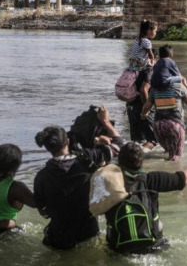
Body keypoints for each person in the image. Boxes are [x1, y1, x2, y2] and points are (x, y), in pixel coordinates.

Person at [34, 107, 122, 250]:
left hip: (58, 237)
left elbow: (43, 210)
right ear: (68, 141)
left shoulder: (41, 177)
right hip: (88, 233)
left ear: (48, 148)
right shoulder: (88, 158)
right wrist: (105, 122)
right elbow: (119, 145)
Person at [104, 143, 187, 254]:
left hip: (119, 250)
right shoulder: (151, 180)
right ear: (141, 162)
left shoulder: (108, 185)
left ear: (119, 163)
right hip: (152, 246)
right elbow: (183, 179)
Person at [142, 45, 187, 161]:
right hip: (174, 126)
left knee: (166, 152)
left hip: (158, 127)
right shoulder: (178, 86)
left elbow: (146, 107)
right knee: (175, 159)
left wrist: (143, 115)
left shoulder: (155, 88)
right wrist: (185, 83)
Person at [126, 68, 158, 150]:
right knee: (153, 140)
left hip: (131, 106)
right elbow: (143, 90)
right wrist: (146, 109)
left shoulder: (133, 68)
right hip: (142, 107)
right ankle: (138, 154)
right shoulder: (150, 70)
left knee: (136, 141)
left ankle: (132, 156)